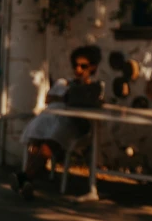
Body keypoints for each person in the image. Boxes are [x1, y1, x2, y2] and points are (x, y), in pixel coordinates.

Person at [11, 44, 104, 199]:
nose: (78, 70)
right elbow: (49, 98)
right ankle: (27, 179)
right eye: (76, 65)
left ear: (93, 67)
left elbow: (89, 103)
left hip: (73, 122)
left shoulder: (94, 87)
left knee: (51, 140)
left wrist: (75, 93)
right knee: (36, 137)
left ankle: (25, 177)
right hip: (52, 118)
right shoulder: (64, 83)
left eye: (83, 66)